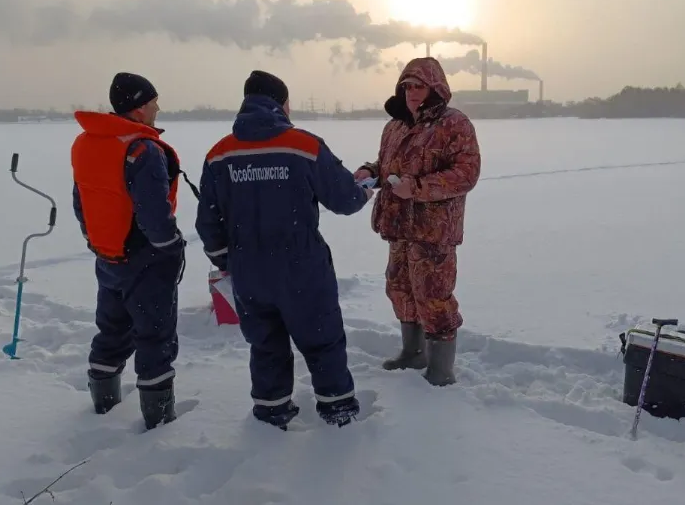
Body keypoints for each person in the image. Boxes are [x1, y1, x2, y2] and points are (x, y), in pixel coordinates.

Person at [195, 70, 373, 430]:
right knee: (322, 340)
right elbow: (344, 199)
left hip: (248, 271)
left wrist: (226, 261)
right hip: (301, 268)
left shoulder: (220, 154)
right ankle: (338, 413)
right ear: (281, 103)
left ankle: (271, 414)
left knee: (265, 346)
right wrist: (365, 190)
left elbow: (207, 222)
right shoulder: (303, 145)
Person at [353, 57, 481, 386]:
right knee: (399, 289)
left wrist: (420, 188)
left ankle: (441, 369)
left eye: (419, 86)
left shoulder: (455, 124)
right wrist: (370, 172)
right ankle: (413, 352)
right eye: (406, 86)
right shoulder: (394, 126)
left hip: (433, 229)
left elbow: (466, 173)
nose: (411, 92)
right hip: (398, 226)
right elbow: (386, 166)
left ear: (435, 88)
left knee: (434, 295)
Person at [71, 72, 187, 430]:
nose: (157, 107)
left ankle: (103, 405)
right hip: (144, 257)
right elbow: (154, 212)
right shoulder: (142, 150)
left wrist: (97, 241)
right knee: (155, 336)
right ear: (138, 107)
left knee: (112, 329)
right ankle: (159, 422)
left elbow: (81, 201)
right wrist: (171, 247)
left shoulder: (86, 143)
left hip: (107, 254)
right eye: (153, 101)